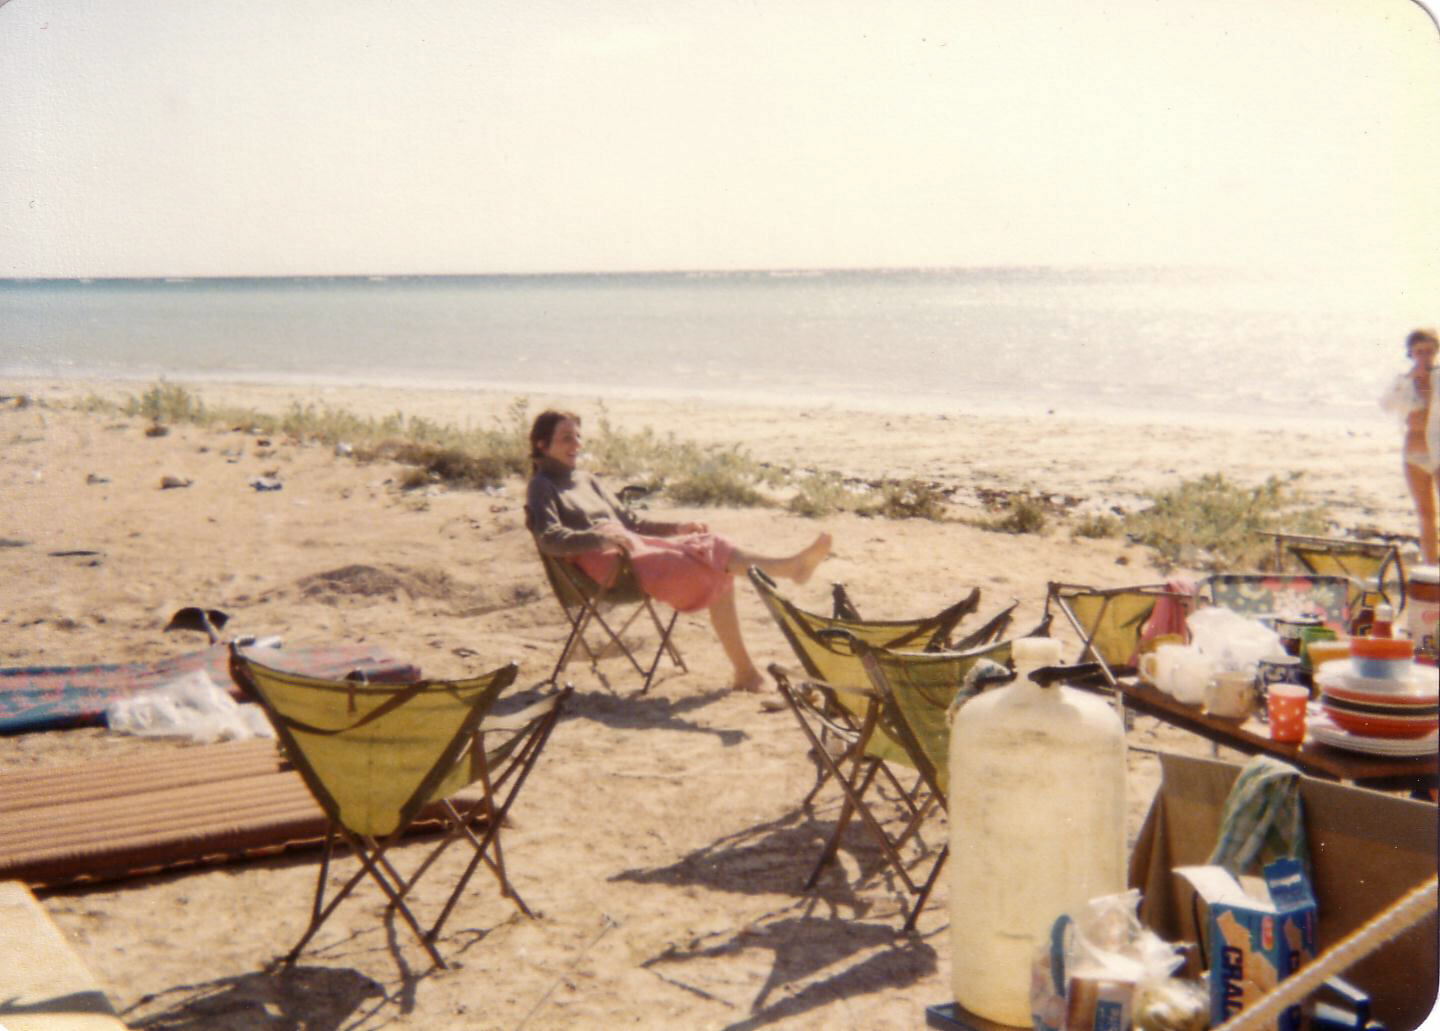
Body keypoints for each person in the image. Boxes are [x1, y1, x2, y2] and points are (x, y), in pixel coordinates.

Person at [525, 409, 832, 692]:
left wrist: (677, 528)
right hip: (607, 567)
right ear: (542, 445)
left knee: (713, 545)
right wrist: (599, 540)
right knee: (715, 566)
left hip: (631, 547)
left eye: (578, 436)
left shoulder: (586, 479)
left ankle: (783, 582)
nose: (576, 444)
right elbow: (549, 538)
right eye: (566, 438)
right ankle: (750, 660)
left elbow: (632, 522)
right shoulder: (542, 485)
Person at [1381, 327, 1439, 565]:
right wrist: (1409, 380)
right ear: (1411, 353)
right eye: (1418, 352)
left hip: (1438, 452)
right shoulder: (1403, 381)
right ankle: (1432, 566)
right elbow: (1386, 405)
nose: (1424, 357)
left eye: (1428, 351)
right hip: (1413, 454)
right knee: (1425, 514)